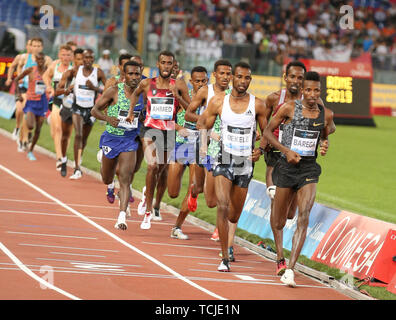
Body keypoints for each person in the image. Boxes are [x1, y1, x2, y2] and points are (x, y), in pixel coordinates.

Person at [262, 60, 335, 276]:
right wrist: (285, 151)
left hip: (309, 169)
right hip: (284, 164)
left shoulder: (323, 109)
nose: (312, 93)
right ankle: (279, 257)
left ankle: (290, 270)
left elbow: (327, 128)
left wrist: (324, 142)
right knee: (281, 219)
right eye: (308, 89)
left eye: (316, 90)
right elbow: (267, 130)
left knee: (302, 215)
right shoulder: (284, 105)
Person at [198, 61, 267, 272]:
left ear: (250, 80)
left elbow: (267, 133)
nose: (243, 81)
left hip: (244, 163)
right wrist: (209, 138)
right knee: (222, 204)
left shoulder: (258, 105)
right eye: (239, 77)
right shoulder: (219, 101)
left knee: (234, 215)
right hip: (223, 157)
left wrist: (261, 149)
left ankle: (226, 243)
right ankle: (224, 257)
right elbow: (202, 123)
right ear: (233, 78)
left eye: (247, 78)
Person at [125, 50, 191, 230]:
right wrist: (131, 112)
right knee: (152, 166)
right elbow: (134, 94)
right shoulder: (147, 83)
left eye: (170, 63)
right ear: (158, 64)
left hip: (168, 131)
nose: (166, 66)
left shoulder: (179, 85)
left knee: (160, 170)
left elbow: (190, 109)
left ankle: (148, 190)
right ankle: (147, 211)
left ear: (173, 65)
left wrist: (177, 96)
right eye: (163, 62)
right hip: (149, 129)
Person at [91, 61, 144, 230]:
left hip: (129, 140)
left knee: (126, 178)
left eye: (137, 74)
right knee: (107, 178)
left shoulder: (143, 94)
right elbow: (95, 110)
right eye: (131, 74)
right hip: (111, 139)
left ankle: (122, 216)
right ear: (124, 74)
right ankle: (104, 164)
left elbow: (145, 114)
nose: (134, 77)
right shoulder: (114, 91)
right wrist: (108, 119)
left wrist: (142, 118)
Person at [185, 59, 233, 243]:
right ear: (214, 75)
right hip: (205, 142)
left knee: (219, 197)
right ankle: (194, 192)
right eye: (222, 73)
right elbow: (189, 114)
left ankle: (219, 228)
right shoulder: (206, 91)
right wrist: (206, 122)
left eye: (228, 74)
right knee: (203, 192)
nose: (225, 77)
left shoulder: (234, 94)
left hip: (225, 147)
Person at [168, 65, 208, 240]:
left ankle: (177, 226)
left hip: (199, 146)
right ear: (191, 82)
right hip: (180, 144)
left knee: (193, 188)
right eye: (197, 81)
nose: (200, 84)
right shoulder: (183, 96)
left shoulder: (211, 100)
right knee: (172, 192)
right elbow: (167, 120)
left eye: (203, 81)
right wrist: (178, 127)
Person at [69, 49, 106, 179]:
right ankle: (77, 167)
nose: (88, 60)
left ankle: (79, 156)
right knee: (78, 135)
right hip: (77, 108)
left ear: (93, 59)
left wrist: (95, 88)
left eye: (91, 58)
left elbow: (108, 91)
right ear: (82, 58)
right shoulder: (75, 71)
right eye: (86, 58)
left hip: (91, 110)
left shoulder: (98, 73)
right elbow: (64, 82)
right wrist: (66, 88)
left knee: (84, 139)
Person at [43, 44, 74, 171]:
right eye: (63, 54)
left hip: (70, 104)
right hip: (56, 101)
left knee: (67, 133)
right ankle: (60, 158)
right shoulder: (54, 66)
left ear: (71, 56)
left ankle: (64, 156)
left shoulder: (75, 68)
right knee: (56, 129)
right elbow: (46, 76)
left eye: (68, 55)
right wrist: (49, 87)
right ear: (59, 55)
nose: (65, 57)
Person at [13, 52, 49, 161]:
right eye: (38, 60)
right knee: (30, 126)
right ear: (36, 61)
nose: (41, 62)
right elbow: (16, 79)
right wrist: (18, 94)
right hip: (31, 101)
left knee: (38, 129)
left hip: (42, 102)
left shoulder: (48, 71)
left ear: (44, 60)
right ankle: (26, 134)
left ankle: (31, 150)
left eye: (42, 60)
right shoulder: (30, 70)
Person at [55, 48, 85, 177]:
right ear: (74, 59)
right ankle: (64, 159)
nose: (82, 62)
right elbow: (57, 91)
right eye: (78, 59)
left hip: (83, 108)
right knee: (65, 136)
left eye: (84, 59)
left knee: (79, 135)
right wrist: (67, 90)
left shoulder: (93, 74)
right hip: (68, 107)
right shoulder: (69, 74)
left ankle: (77, 166)